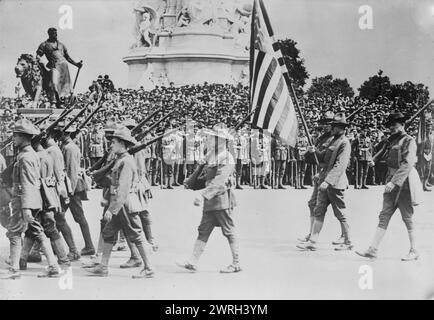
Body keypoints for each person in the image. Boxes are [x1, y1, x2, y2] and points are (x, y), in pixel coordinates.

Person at [85, 126, 154, 278]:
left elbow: (123, 188)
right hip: (118, 204)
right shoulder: (120, 159)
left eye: (114, 142)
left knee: (136, 235)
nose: (110, 145)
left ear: (122, 143)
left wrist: (111, 209)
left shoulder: (127, 162)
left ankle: (148, 268)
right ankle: (103, 267)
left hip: (125, 205)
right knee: (108, 232)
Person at [356, 111, 421, 261]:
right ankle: (373, 249)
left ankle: (414, 249)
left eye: (394, 124)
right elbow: (383, 151)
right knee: (384, 215)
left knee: (407, 217)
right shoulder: (392, 140)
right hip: (391, 181)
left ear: (403, 124)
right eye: (390, 125)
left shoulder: (408, 141)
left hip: (404, 183)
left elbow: (407, 163)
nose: (391, 127)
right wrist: (374, 159)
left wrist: (394, 182)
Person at [1, 119, 61, 279]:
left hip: (24, 201)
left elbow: (27, 183)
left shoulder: (26, 157)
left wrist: (26, 207)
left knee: (14, 233)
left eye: (16, 136)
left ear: (24, 137)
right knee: (38, 232)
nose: (13, 138)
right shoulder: (30, 154)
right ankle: (54, 266)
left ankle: (14, 270)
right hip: (32, 200)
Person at [177, 124, 241, 273]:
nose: (211, 139)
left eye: (215, 137)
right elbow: (206, 178)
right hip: (210, 201)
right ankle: (193, 261)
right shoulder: (212, 155)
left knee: (229, 231)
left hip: (221, 200)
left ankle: (236, 263)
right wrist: (192, 181)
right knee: (203, 230)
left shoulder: (227, 157)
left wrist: (202, 194)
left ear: (223, 141)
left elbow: (219, 181)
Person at [297, 114, 353, 251]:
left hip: (335, 183)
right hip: (324, 181)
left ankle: (348, 241)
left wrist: (328, 181)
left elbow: (340, 165)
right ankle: (312, 241)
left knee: (340, 212)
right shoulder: (333, 141)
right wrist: (313, 151)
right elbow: (323, 157)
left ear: (341, 128)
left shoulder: (344, 143)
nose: (331, 128)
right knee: (319, 210)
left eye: (333, 126)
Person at [59, 121, 95, 256]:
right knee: (62, 216)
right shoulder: (67, 146)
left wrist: (69, 192)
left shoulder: (70, 148)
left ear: (66, 133)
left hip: (72, 188)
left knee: (69, 217)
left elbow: (71, 171)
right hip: (70, 187)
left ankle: (87, 246)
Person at [36, 28, 83, 107]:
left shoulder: (61, 45)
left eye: (56, 33)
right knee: (54, 84)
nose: (56, 35)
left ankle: (60, 102)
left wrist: (76, 64)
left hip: (64, 67)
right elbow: (38, 55)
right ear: (49, 34)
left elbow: (67, 57)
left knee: (64, 87)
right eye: (54, 33)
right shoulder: (44, 44)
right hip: (53, 66)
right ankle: (54, 101)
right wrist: (39, 60)